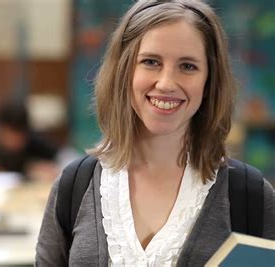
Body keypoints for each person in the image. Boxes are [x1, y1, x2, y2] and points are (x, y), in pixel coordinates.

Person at [36, 1, 274, 266]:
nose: (166, 83)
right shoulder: (74, 186)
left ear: (209, 81)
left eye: (188, 66)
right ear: (124, 72)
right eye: (150, 62)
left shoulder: (250, 196)